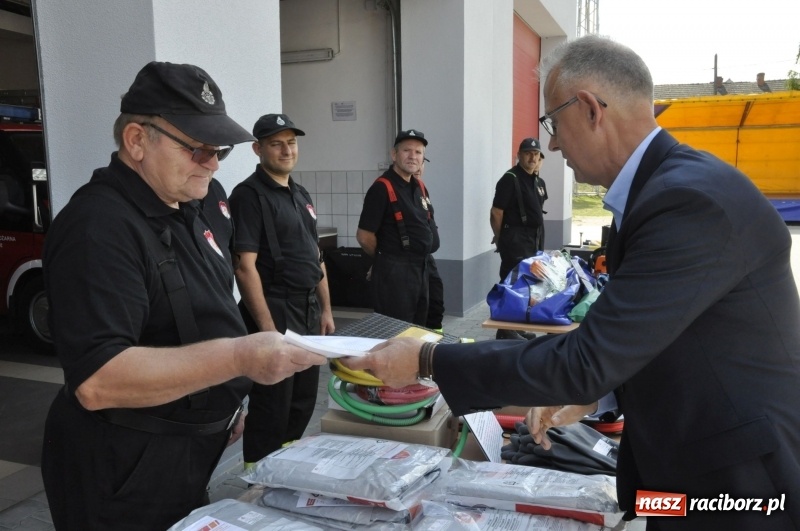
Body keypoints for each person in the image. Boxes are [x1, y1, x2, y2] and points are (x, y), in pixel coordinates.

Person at [343, 36, 800, 530]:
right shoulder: (661, 189)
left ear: (588, 109)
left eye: (553, 125)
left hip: (737, 489)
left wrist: (426, 358)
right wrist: (598, 393)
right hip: (686, 470)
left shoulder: (688, 202)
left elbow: (586, 358)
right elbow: (649, 338)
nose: (554, 145)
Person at [41, 62, 327, 531]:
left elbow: (207, 305)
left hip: (190, 449)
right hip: (123, 465)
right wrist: (238, 359)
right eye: (196, 148)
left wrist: (229, 402)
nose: (212, 163)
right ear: (136, 140)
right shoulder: (98, 227)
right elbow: (99, 380)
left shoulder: (204, 200)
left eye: (219, 150)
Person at [228, 113, 335, 467]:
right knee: (272, 401)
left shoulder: (299, 193)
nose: (286, 150)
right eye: (276, 143)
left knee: (302, 398)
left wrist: (327, 310)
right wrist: (266, 329)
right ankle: (257, 476)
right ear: (258, 149)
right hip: (276, 308)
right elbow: (245, 267)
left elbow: (315, 256)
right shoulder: (248, 195)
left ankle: (285, 465)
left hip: (307, 309)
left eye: (291, 142)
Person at [357, 129, 439, 326]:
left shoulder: (419, 187)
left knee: (418, 327)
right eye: (406, 150)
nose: (413, 156)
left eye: (418, 152)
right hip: (395, 274)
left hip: (421, 268)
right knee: (395, 331)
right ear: (394, 154)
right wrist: (384, 260)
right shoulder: (382, 188)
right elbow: (364, 235)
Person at [490, 137, 546, 281]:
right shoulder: (510, 178)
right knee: (514, 282)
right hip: (516, 240)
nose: (533, 157)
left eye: (536, 153)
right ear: (519, 155)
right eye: (528, 153)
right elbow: (496, 212)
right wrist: (499, 237)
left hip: (535, 238)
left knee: (532, 281)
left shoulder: (537, 181)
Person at [416, 158, 445, 332]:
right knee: (419, 308)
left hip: (428, 258)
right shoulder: (391, 189)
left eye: (422, 162)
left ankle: (434, 342)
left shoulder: (421, 189)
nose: (419, 167)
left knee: (436, 301)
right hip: (407, 263)